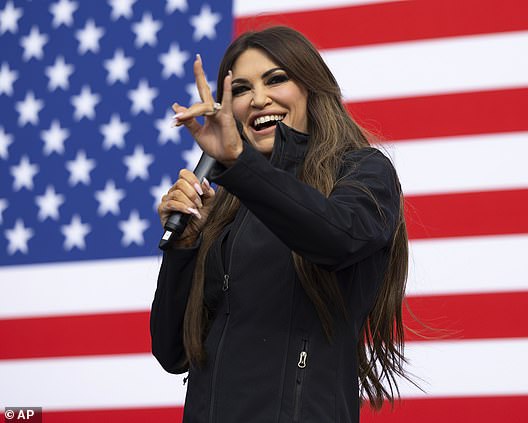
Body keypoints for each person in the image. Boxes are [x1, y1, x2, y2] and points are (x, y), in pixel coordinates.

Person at [151, 26, 410, 423]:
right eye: (240, 90)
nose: (258, 100)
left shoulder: (360, 171)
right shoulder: (227, 205)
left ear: (311, 87)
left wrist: (241, 167)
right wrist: (185, 249)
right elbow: (174, 352)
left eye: (276, 80)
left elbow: (336, 238)